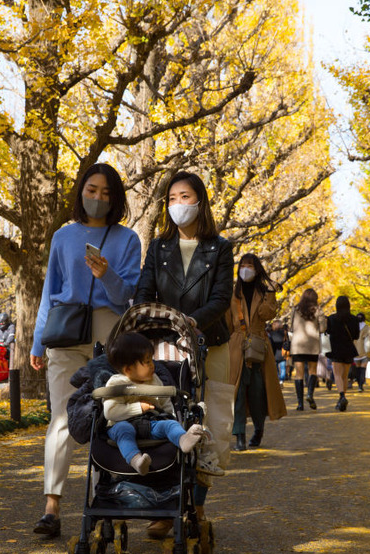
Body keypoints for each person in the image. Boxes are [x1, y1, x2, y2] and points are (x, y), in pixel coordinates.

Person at [30, 163, 142, 539]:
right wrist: (36, 340)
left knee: (108, 418)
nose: (98, 198)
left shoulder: (128, 240)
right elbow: (50, 291)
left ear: (117, 199)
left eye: (107, 193)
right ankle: (51, 505)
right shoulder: (63, 237)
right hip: (64, 331)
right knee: (61, 418)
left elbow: (126, 295)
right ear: (81, 191)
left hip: (108, 332)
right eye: (92, 190)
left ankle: (103, 502)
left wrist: (106, 273)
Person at [134, 170, 234, 534]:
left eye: (186, 197)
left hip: (210, 342)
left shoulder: (220, 248)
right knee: (164, 420)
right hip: (165, 346)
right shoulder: (158, 248)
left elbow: (221, 298)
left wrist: (193, 321)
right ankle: (164, 507)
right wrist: (152, 322)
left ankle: (198, 506)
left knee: (208, 424)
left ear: (201, 201)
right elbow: (145, 293)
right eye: (173, 198)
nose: (179, 204)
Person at [103, 332, 205, 474]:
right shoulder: (116, 383)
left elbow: (165, 402)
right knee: (123, 430)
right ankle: (137, 460)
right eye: (147, 362)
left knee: (169, 425)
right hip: (122, 424)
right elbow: (110, 412)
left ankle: (183, 439)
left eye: (152, 360)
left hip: (151, 424)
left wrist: (172, 417)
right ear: (128, 369)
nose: (153, 365)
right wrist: (139, 408)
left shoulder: (154, 379)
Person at [226, 254, 286, 451]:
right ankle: (240, 436)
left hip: (259, 345)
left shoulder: (264, 291)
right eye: (242, 265)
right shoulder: (233, 292)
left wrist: (269, 293)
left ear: (257, 268)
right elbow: (227, 321)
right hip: (236, 347)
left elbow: (266, 314)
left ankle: (259, 429)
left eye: (249, 265)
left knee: (258, 391)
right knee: (238, 392)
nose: (245, 269)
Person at [289, 288, 326, 410]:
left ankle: (300, 404)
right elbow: (323, 328)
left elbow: (291, 326)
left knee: (298, 374)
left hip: (298, 345)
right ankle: (310, 394)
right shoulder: (317, 310)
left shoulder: (295, 309)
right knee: (312, 371)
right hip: (312, 344)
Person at [325, 296, 360, 411]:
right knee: (344, 376)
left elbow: (327, 332)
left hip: (336, 349)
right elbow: (356, 336)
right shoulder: (354, 319)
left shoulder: (331, 318)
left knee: (337, 375)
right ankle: (342, 399)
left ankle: (342, 396)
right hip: (348, 349)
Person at [352, 313, 370, 392]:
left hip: (355, 351)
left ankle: (359, 384)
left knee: (357, 369)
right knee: (363, 369)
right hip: (365, 351)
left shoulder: (353, 327)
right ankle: (361, 385)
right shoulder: (368, 328)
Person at [267, 320, 288, 386]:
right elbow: (287, 342)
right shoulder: (284, 333)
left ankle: (277, 380)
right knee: (283, 368)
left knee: (276, 369)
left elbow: (271, 344)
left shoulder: (271, 333)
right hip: (282, 353)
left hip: (274, 353)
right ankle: (281, 380)